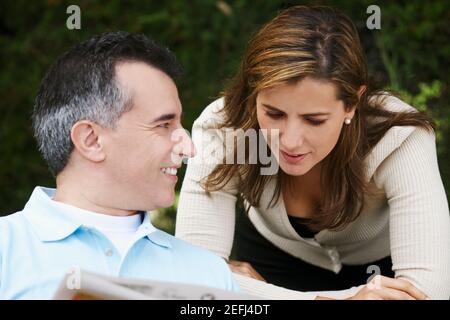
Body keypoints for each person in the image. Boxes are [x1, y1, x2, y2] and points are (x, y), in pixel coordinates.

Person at [175, 6, 450, 300]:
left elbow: (428, 292)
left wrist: (247, 291)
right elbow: (193, 283)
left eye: (314, 120)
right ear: (254, 95)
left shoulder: (398, 137)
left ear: (352, 104)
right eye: (274, 113)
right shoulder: (224, 128)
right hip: (268, 258)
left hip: (382, 270)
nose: (290, 142)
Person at [0, 31, 239, 299]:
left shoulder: (210, 275)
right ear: (91, 140)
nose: (189, 148)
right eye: (164, 125)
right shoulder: (5, 252)